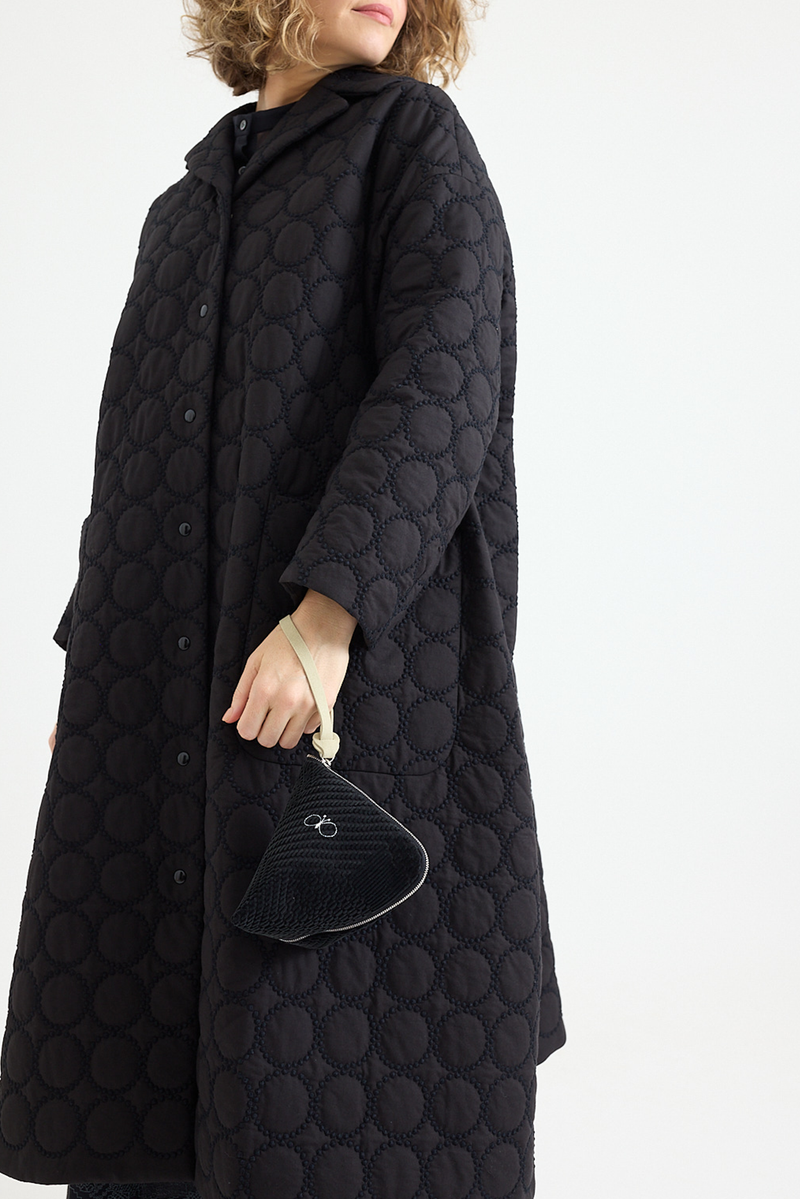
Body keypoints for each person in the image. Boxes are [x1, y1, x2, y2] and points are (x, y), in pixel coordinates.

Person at [0, 2, 567, 1197]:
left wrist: (328, 612)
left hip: (351, 680)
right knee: (152, 1060)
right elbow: (136, 457)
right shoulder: (182, 211)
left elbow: (443, 384)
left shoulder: (411, 142)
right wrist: (96, 666)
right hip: (169, 690)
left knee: (325, 1071)